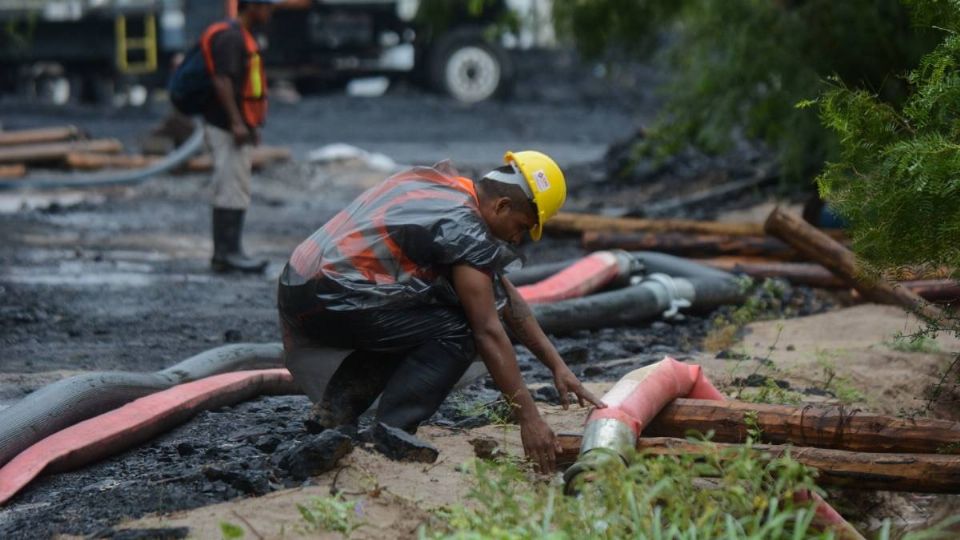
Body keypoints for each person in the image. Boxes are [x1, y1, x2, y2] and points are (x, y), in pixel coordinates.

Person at [277, 151, 606, 473]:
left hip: (304, 286)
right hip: (337, 296)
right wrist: (529, 419)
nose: (517, 238)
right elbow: (488, 330)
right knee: (459, 327)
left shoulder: (450, 193)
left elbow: (507, 299)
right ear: (502, 205)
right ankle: (391, 434)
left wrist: (557, 366)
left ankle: (335, 412)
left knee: (418, 322)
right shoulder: (466, 229)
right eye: (521, 227)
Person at [201, 0, 278, 273]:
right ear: (253, 7)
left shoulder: (240, 35)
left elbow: (243, 84)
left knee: (236, 186)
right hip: (225, 127)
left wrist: (250, 125)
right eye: (267, 7)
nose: (270, 12)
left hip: (236, 126)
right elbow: (222, 81)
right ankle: (226, 254)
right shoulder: (231, 38)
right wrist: (236, 123)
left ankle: (231, 252)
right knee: (230, 187)